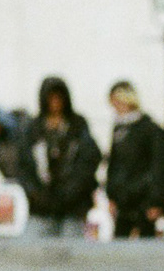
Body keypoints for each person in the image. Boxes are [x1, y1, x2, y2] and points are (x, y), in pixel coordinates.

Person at [14, 77, 100, 239]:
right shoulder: (33, 128)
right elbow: (24, 164)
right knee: (34, 252)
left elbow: (88, 161)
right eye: (51, 98)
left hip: (72, 207)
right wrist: (35, 193)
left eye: (58, 98)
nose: (55, 103)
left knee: (72, 253)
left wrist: (72, 191)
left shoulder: (77, 126)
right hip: (41, 207)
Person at [105, 81, 164, 239]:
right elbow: (114, 166)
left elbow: (162, 168)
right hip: (123, 202)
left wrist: (156, 201)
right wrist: (111, 196)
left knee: (146, 247)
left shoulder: (151, 130)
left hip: (144, 202)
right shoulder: (119, 130)